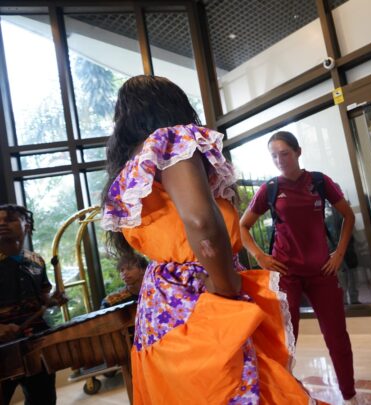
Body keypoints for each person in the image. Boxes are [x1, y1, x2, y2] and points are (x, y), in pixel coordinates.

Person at [100, 76, 320, 404]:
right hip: (198, 298)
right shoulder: (172, 142)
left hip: (160, 311)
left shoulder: (133, 168)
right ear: (174, 106)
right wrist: (227, 284)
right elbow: (202, 220)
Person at [239, 131, 358, 404]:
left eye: (285, 153)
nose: (280, 160)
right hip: (286, 275)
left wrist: (339, 252)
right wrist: (260, 256)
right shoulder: (270, 188)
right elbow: (243, 227)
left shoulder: (318, 182)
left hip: (322, 272)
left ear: (298, 152)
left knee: (338, 337)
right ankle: (285, 395)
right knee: (286, 343)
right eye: (274, 156)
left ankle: (350, 396)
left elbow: (348, 216)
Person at [0, 204, 66, 405]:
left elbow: (43, 299)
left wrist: (54, 300)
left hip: (35, 344)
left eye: (10, 219)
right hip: (2, 350)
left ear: (26, 225)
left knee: (43, 400)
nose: (2, 223)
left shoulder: (36, 261)